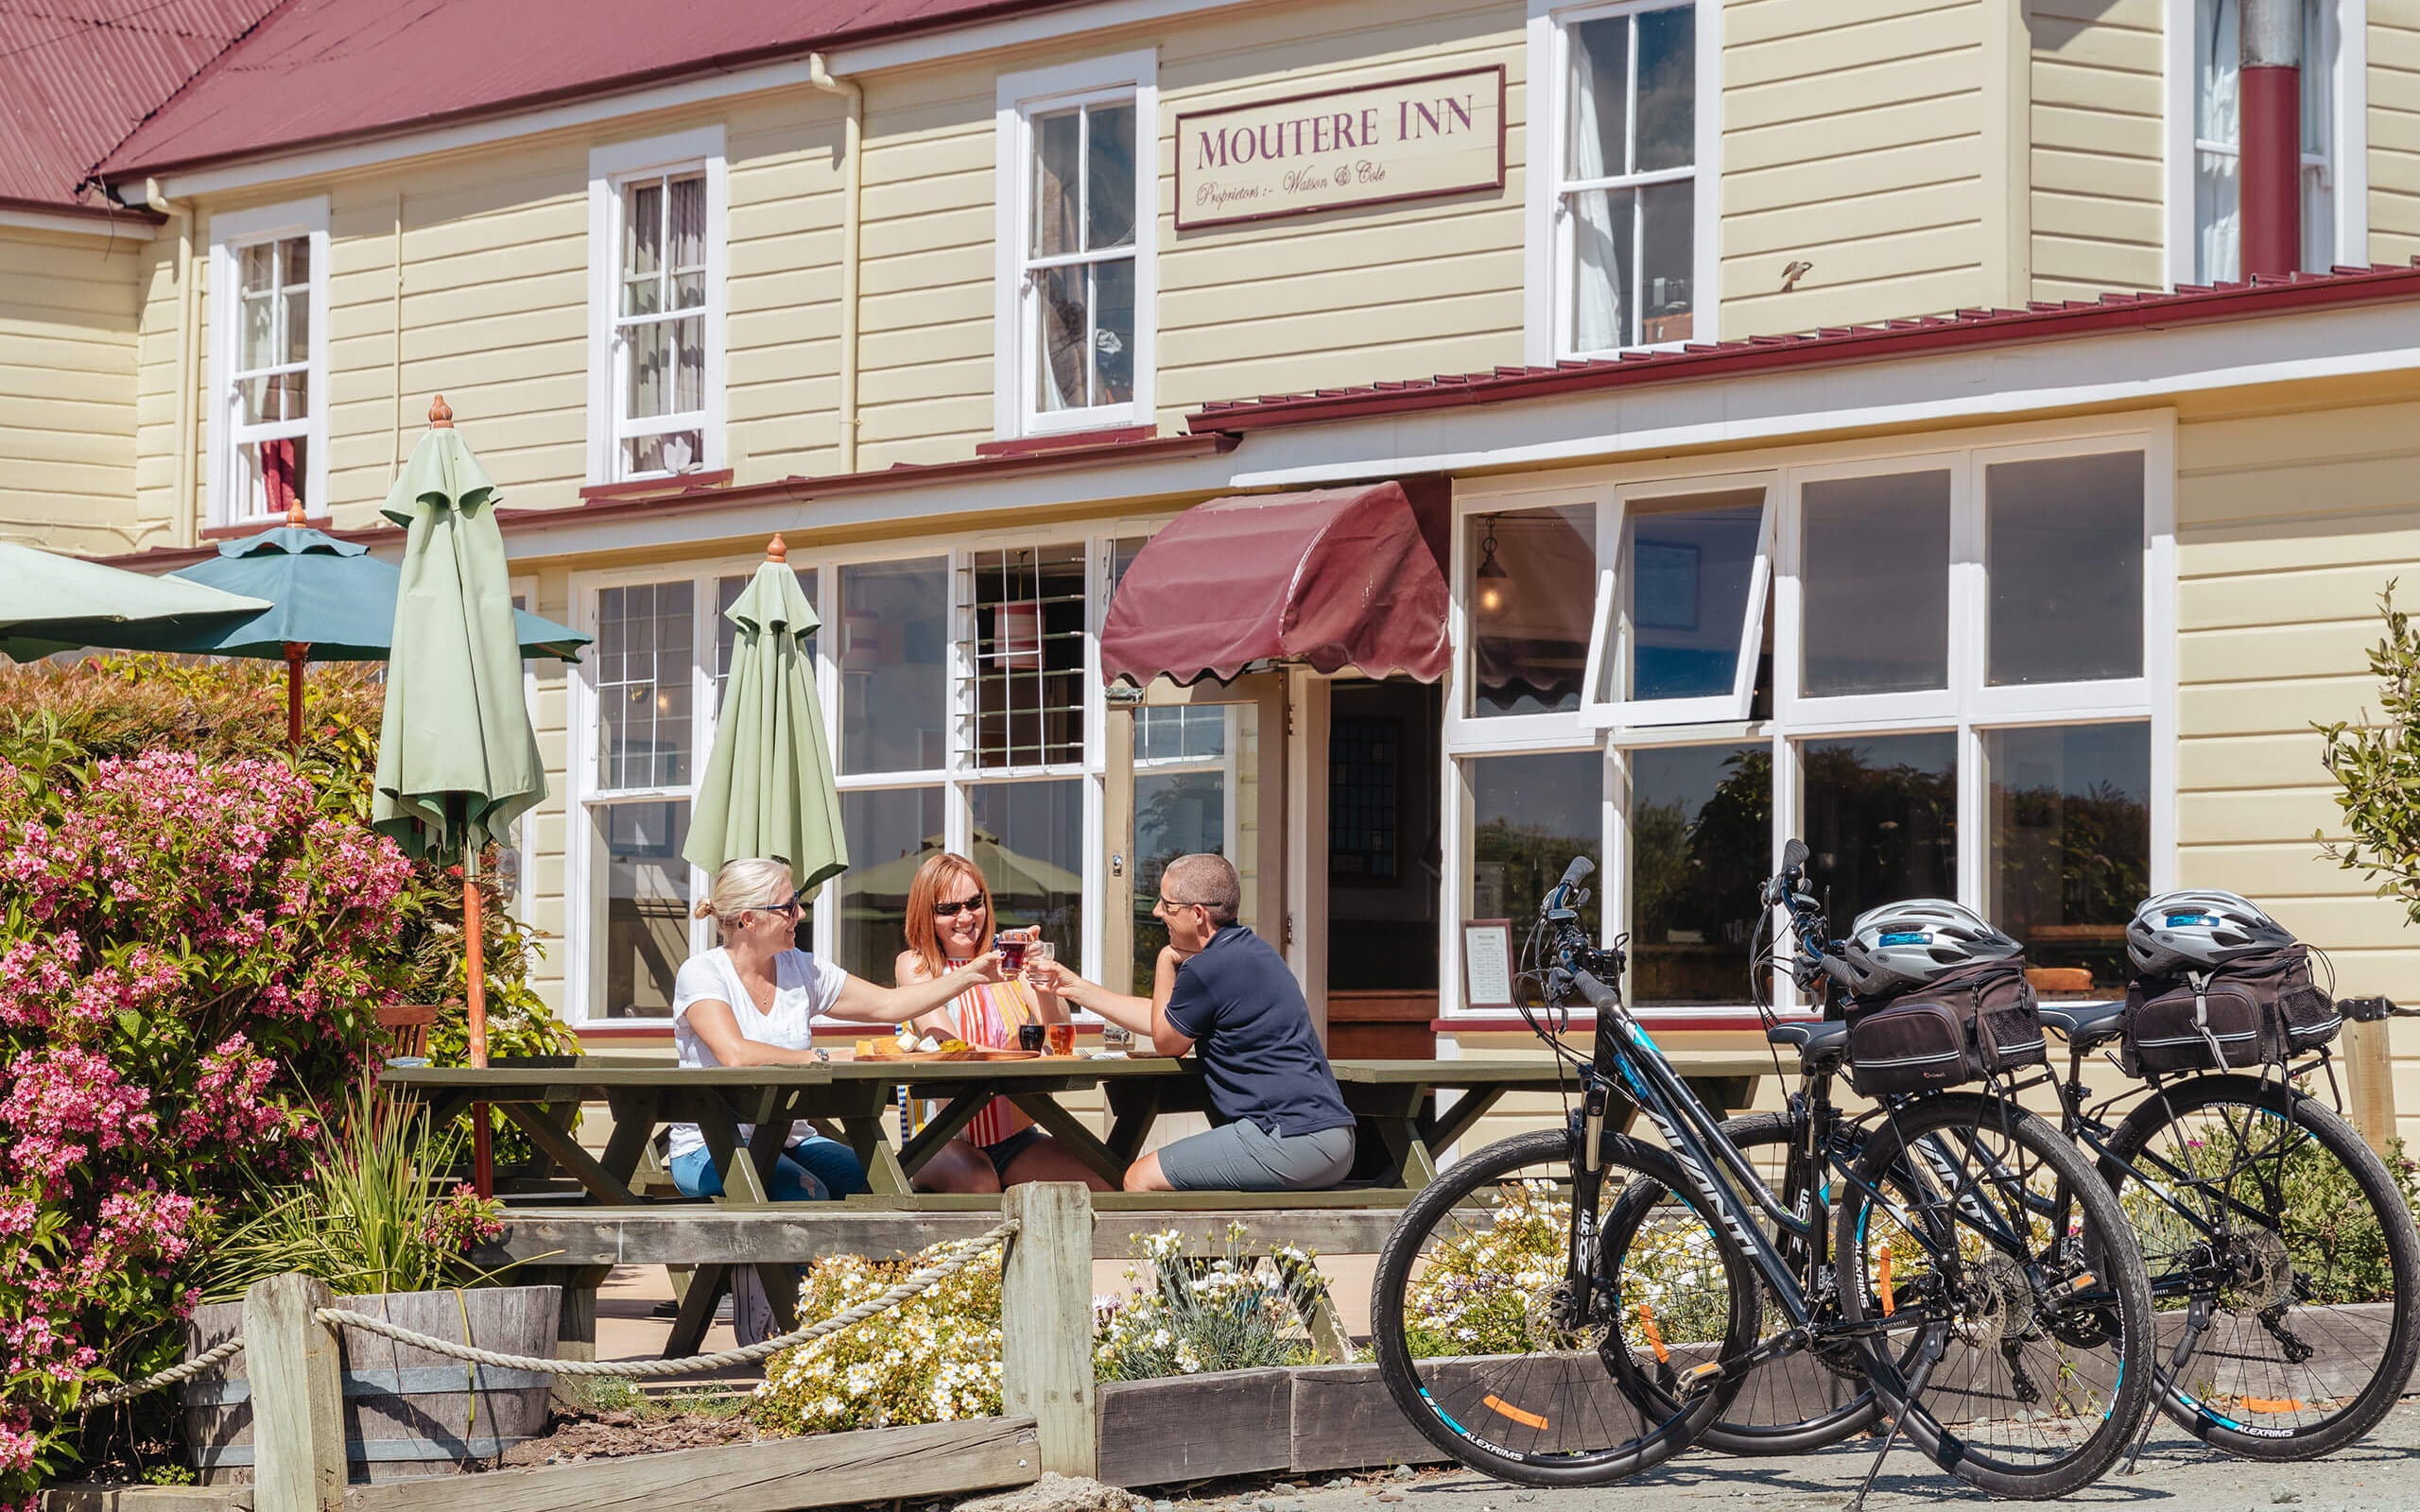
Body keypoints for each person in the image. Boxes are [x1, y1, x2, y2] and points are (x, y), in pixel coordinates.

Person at [667, 856, 1009, 1204]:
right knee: (805, 1192)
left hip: (791, 1138)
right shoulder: (703, 973)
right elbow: (735, 1054)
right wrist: (823, 1058)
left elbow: (888, 1004)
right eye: (789, 907)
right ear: (748, 919)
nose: (801, 914)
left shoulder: (802, 968)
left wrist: (970, 975)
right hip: (708, 1145)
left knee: (884, 1187)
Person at [1027, 852, 1356, 1193]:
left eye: (1167, 905)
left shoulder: (1206, 968)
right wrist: (1074, 988)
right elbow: (1166, 1020)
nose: (1157, 912)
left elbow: (1166, 1042)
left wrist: (1164, 959)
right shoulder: (1253, 952)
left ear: (1198, 914)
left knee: (1139, 1179)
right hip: (1332, 1139)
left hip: (1290, 1139)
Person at [892, 852, 1112, 1194]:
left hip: (1014, 1139)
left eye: (974, 902)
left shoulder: (1009, 958)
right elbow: (952, 1047)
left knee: (1103, 1178)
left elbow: (1059, 1034)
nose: (966, 917)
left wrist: (1041, 975)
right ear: (927, 914)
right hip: (941, 1138)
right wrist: (1028, 1058)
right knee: (981, 1185)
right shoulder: (916, 965)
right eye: (949, 909)